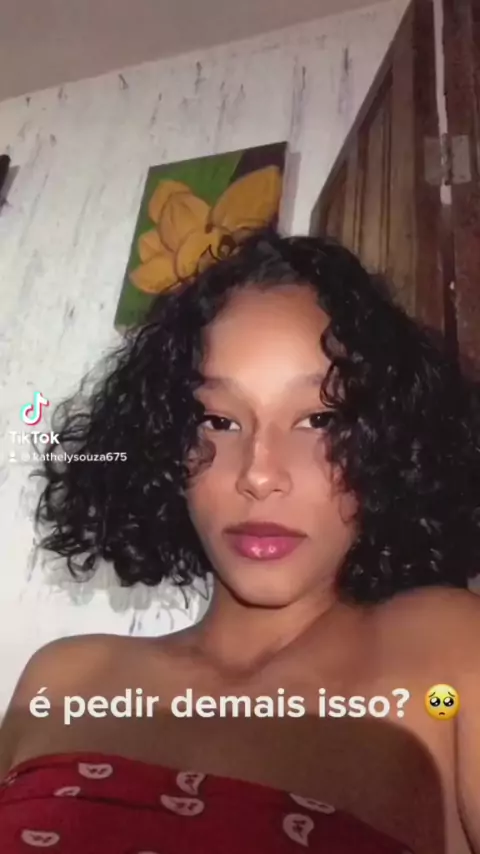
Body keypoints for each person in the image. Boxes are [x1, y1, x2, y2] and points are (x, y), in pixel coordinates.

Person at [0, 229, 479, 854]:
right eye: (218, 420)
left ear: (389, 440)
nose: (258, 474)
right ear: (165, 444)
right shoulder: (61, 681)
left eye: (320, 419)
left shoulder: (447, 653)